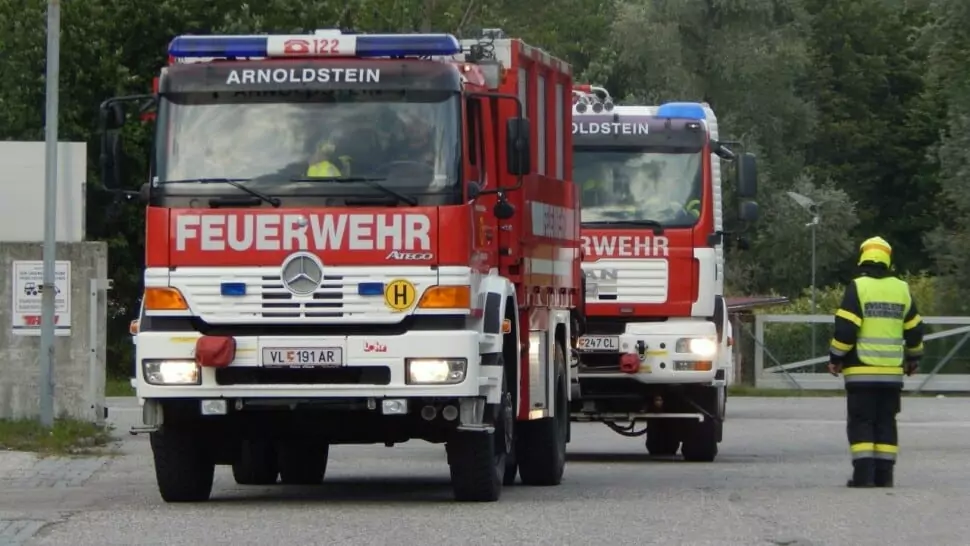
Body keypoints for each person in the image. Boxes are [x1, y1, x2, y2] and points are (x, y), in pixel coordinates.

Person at [827, 236, 924, 488]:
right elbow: (914, 329)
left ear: (863, 257)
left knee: (862, 422)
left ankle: (863, 477)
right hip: (892, 374)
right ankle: (884, 476)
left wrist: (836, 357)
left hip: (861, 372)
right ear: (887, 258)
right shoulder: (901, 289)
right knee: (886, 422)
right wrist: (914, 358)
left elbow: (846, 330)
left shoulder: (858, 287)